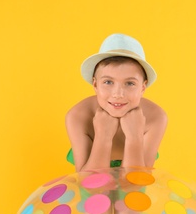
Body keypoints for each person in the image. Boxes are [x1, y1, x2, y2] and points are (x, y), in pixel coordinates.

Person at [65, 33, 167, 172]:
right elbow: (89, 185)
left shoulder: (156, 117)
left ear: (143, 87)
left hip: (135, 190)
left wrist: (134, 138)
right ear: (95, 84)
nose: (118, 94)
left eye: (130, 83)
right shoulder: (77, 116)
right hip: (92, 191)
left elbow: (136, 185)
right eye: (108, 82)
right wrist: (103, 137)